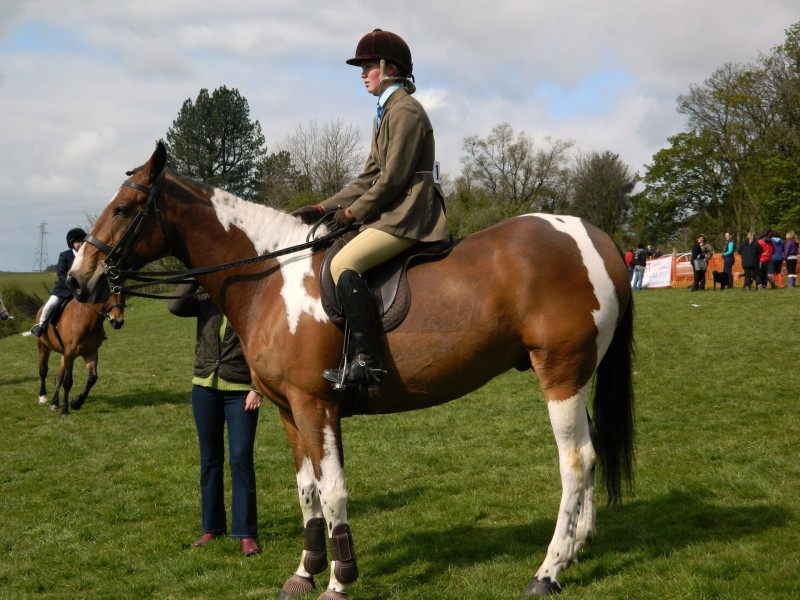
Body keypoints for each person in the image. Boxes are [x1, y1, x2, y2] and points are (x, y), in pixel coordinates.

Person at [292, 29, 449, 388]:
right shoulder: (385, 112)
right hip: (392, 210)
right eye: (361, 68)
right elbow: (368, 177)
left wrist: (352, 213)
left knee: (346, 263)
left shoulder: (405, 111)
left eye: (368, 67)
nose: (362, 74)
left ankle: (367, 361)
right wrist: (322, 207)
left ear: (389, 69)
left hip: (410, 214)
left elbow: (393, 179)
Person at [168, 282, 262, 557]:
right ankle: (212, 527)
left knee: (240, 459)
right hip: (204, 388)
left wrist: (258, 387)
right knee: (210, 461)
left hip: (241, 392)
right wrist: (196, 275)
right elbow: (174, 306)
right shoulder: (205, 294)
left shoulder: (248, 296)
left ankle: (246, 534)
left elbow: (263, 342)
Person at [31, 227, 86, 336]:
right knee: (51, 303)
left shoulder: (86, 255)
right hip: (64, 288)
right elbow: (60, 273)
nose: (80, 244)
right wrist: (69, 284)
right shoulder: (65, 255)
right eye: (77, 241)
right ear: (71, 244)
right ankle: (41, 325)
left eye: (82, 241)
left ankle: (98, 330)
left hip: (82, 288)